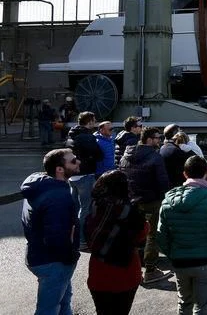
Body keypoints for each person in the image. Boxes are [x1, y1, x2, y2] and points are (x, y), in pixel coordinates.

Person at [158, 156, 207, 315]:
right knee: (203, 306)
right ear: (206, 172)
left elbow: (161, 236)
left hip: (180, 262)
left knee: (184, 303)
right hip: (206, 262)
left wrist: (172, 255)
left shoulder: (168, 202)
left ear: (185, 174)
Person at [21, 148, 81, 315]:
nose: (78, 162)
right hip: (53, 261)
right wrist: (70, 257)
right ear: (59, 169)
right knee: (48, 309)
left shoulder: (42, 185)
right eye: (73, 160)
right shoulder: (58, 196)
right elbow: (57, 235)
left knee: (63, 299)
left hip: (40, 255)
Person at [84, 170, 148, 315]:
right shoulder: (131, 212)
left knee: (102, 311)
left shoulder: (95, 208)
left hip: (98, 271)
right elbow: (141, 236)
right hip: (126, 273)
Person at [119, 126, 173, 284]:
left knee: (134, 234)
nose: (160, 140)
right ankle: (150, 270)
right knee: (152, 235)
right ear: (149, 139)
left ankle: (133, 268)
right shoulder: (155, 157)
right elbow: (163, 183)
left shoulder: (126, 154)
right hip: (151, 201)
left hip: (132, 201)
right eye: (157, 138)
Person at [65, 110, 103, 247]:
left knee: (74, 208)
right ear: (90, 121)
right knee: (85, 209)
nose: (95, 122)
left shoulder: (71, 134)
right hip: (85, 175)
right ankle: (81, 240)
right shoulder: (87, 137)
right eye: (94, 120)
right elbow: (99, 155)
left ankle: (71, 237)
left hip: (72, 176)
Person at [161, 124, 194, 189]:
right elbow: (194, 161)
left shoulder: (162, 148)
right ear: (176, 134)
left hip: (167, 185)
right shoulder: (178, 150)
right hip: (179, 186)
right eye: (180, 132)